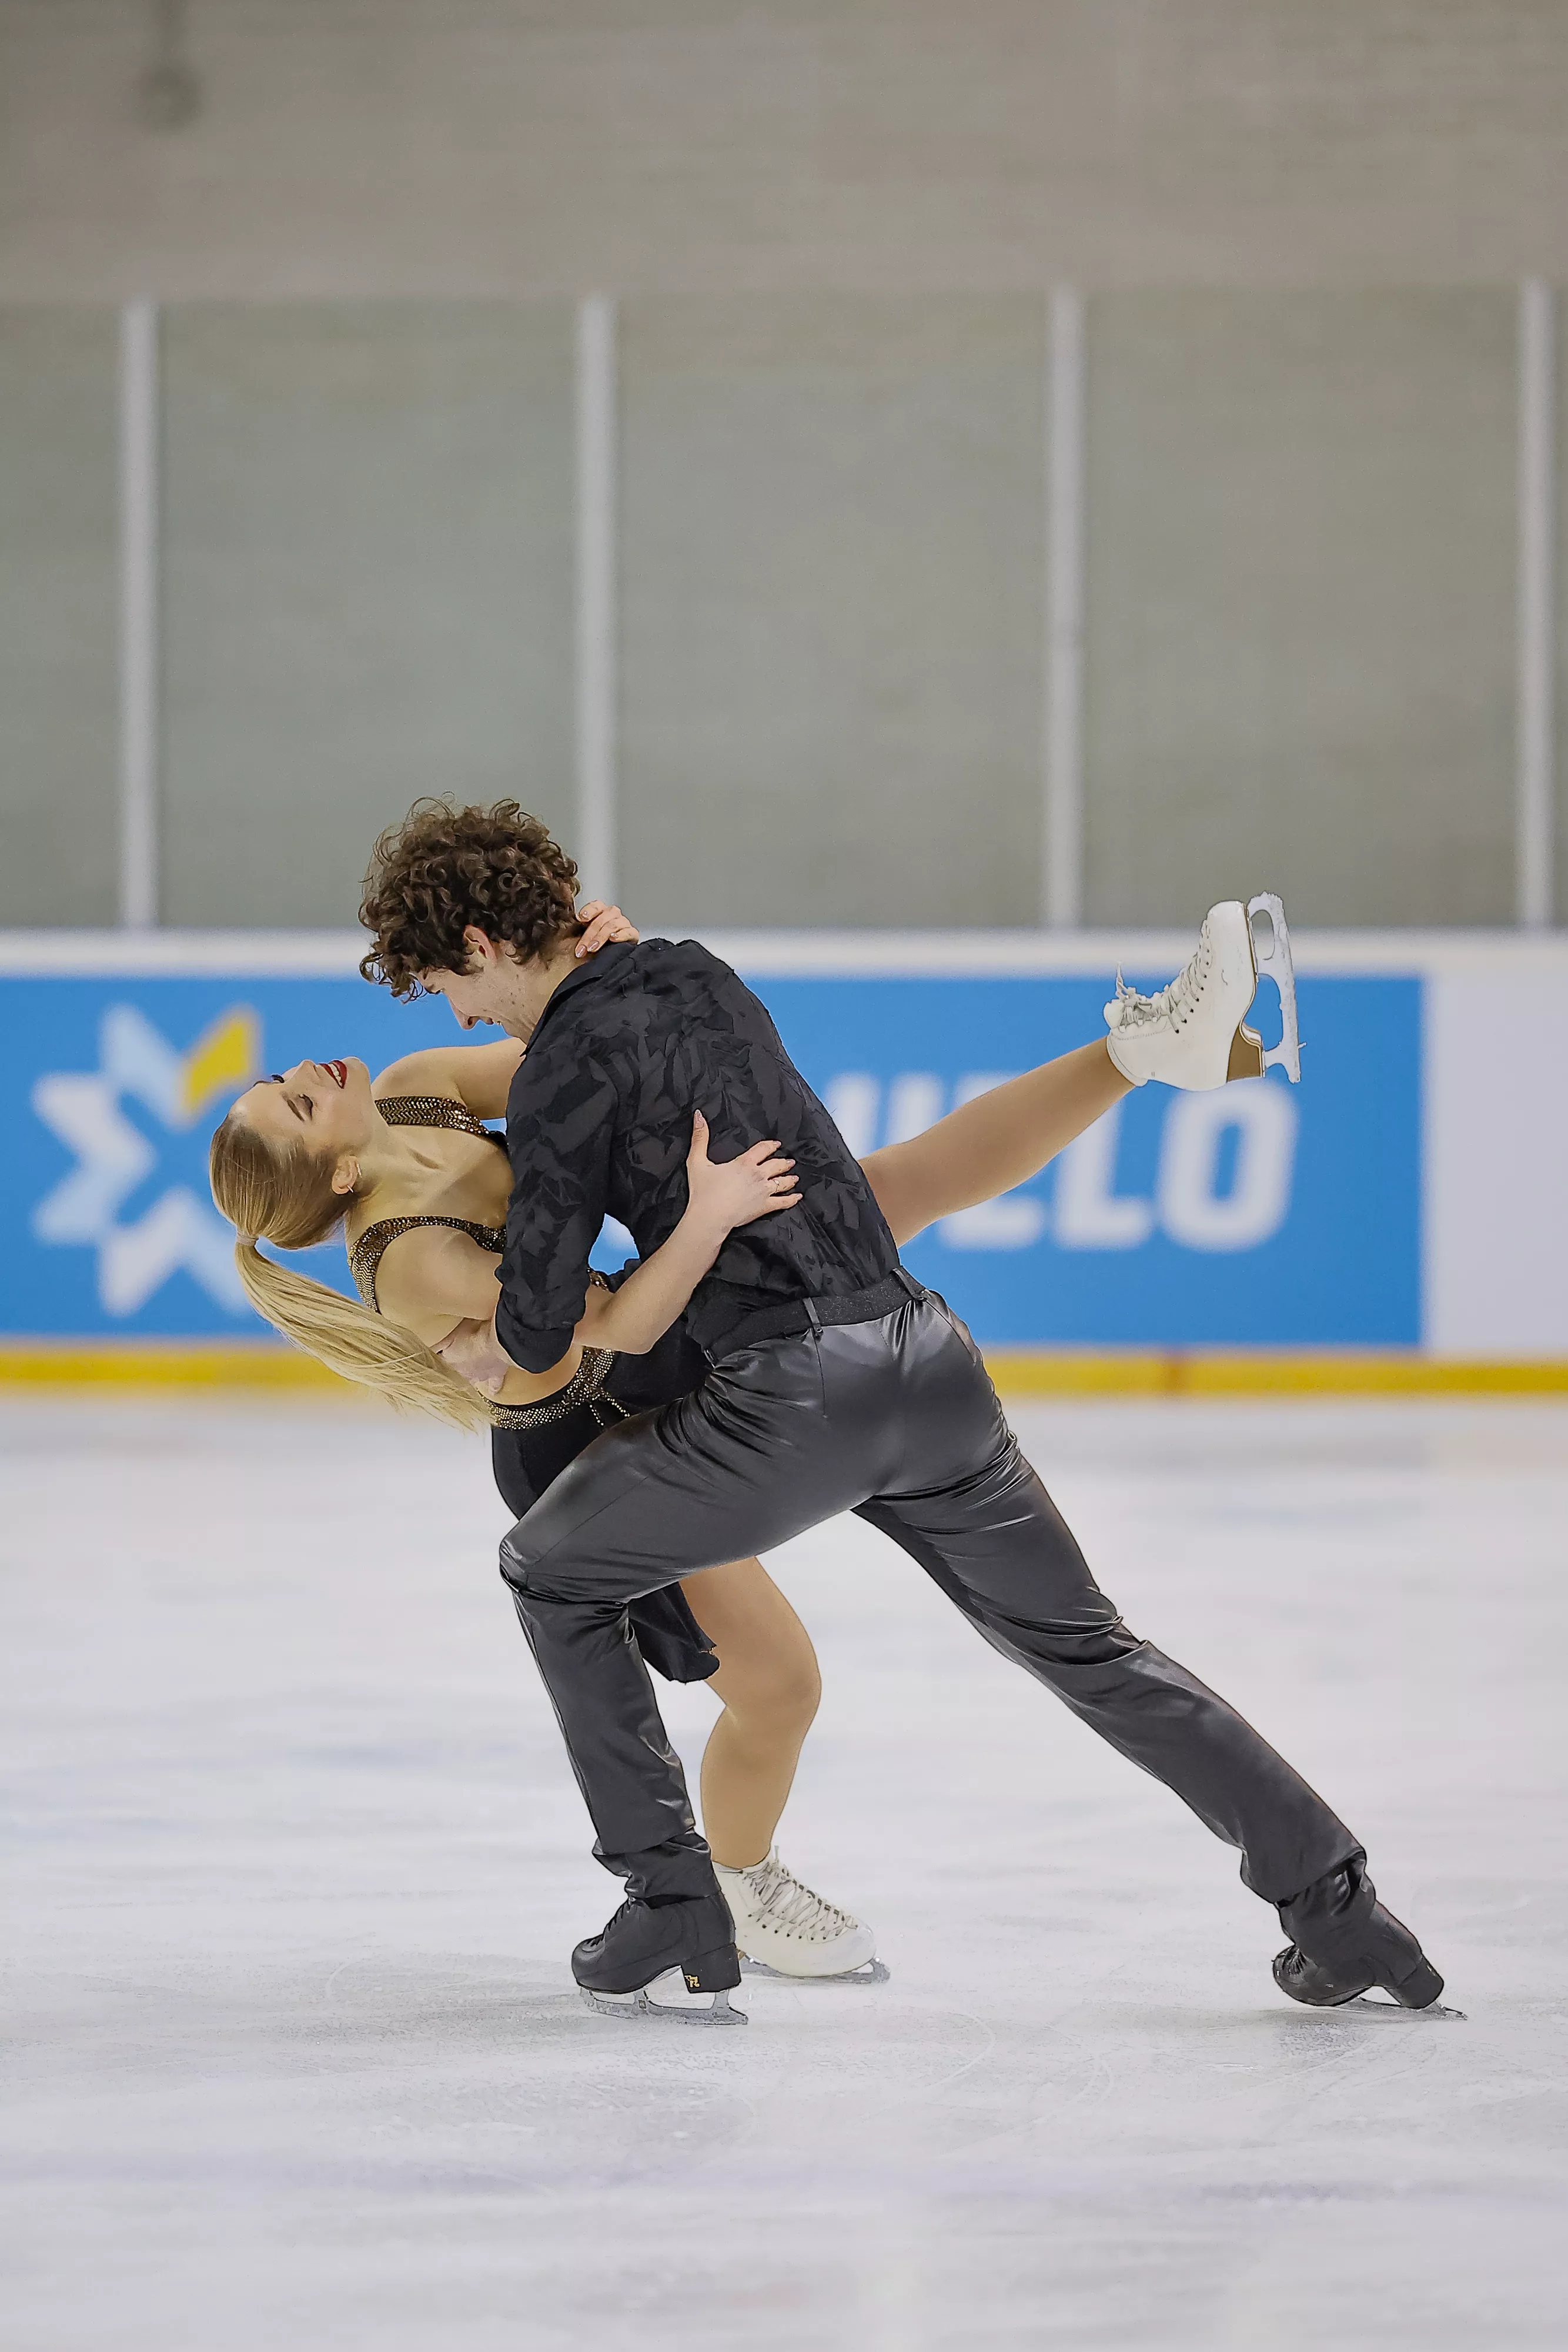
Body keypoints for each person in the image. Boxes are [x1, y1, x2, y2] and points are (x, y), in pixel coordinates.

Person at [358, 799, 1446, 2025]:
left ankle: (670, 1901)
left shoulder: (556, 1073)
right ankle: (1337, 1906)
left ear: (480, 942)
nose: (461, 1015)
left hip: (788, 1403)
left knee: (548, 1570)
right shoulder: (694, 969)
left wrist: (479, 1338)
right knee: (1092, 1650)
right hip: (931, 1363)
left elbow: (542, 1325)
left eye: (451, 984)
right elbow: (651, 1059)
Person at [207, 897, 1138, 1982]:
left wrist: (597, 953)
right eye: (296, 1104)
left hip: (652, 1341)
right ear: (334, 1176)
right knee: (780, 1687)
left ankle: (1132, 1055)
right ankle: (736, 1880)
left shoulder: (421, 1084)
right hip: (585, 1430)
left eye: (281, 1078)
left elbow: (588, 1051)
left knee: (877, 1192)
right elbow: (612, 1323)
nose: (305, 1073)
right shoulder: (408, 1257)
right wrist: (706, 1213)